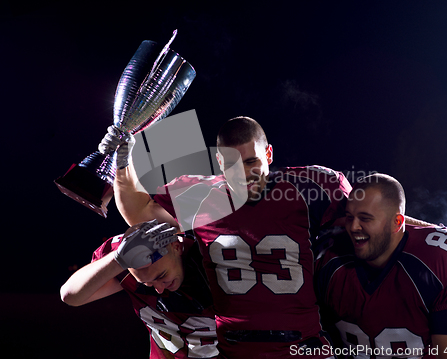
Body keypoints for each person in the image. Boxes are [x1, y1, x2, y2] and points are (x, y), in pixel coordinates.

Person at [102, 116, 352, 358]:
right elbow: (140, 214)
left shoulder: (309, 186)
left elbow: (369, 221)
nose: (244, 174)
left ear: (268, 155)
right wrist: (123, 162)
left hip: (302, 343)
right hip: (235, 349)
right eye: (233, 165)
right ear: (220, 162)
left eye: (252, 161)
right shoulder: (200, 195)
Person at [315, 173, 447, 359]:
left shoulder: (436, 265)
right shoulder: (328, 261)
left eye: (365, 218)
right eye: (349, 217)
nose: (353, 227)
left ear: (398, 222)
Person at [60, 220, 219, 359]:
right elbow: (71, 296)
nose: (158, 288)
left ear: (176, 247)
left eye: (160, 276)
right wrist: (117, 260)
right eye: (146, 283)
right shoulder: (124, 261)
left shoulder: (216, 260)